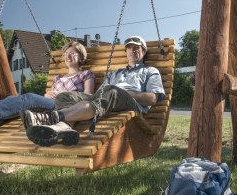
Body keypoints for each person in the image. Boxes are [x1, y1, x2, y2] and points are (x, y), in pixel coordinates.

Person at [21, 35, 165, 147]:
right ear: (126, 52)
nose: (133, 51)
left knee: (112, 91)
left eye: (137, 48)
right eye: (130, 48)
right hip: (108, 100)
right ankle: (63, 128)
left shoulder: (150, 71)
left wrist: (122, 93)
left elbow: (152, 98)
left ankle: (48, 118)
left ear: (144, 51)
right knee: (65, 97)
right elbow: (98, 96)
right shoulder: (115, 73)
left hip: (131, 104)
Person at [0, 41, 94, 143]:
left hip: (65, 107)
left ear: (81, 56)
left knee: (28, 98)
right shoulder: (58, 77)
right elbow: (47, 96)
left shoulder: (86, 74)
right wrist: (47, 95)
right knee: (13, 104)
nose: (68, 56)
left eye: (73, 53)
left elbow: (87, 98)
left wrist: (61, 96)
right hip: (49, 103)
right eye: (66, 53)